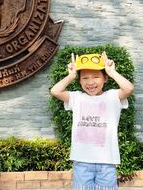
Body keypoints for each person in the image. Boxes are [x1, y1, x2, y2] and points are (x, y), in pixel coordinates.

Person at [50, 51, 134, 190]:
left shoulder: (112, 96)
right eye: (85, 78)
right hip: (82, 161)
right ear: (79, 80)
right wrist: (71, 76)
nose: (90, 82)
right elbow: (55, 91)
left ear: (105, 78)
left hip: (107, 161)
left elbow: (129, 88)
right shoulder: (77, 97)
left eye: (96, 76)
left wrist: (112, 72)